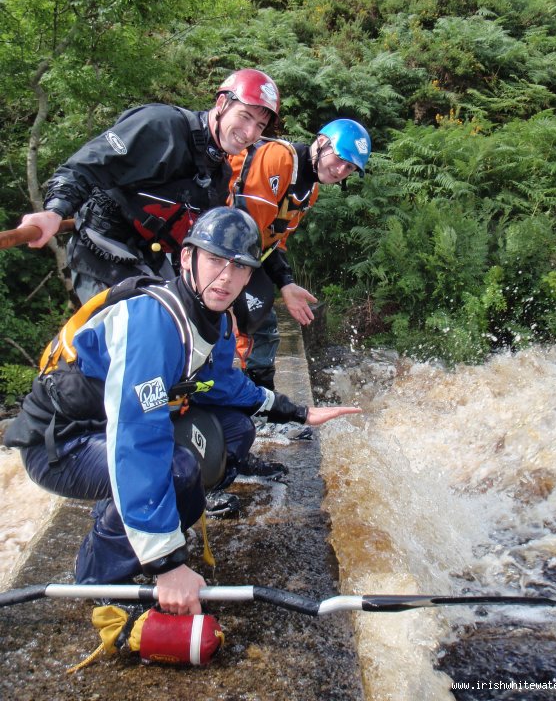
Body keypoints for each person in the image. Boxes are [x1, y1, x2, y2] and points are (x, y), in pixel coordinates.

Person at [4, 208, 361, 614]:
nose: (226, 277)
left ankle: (136, 516)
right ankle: (100, 581)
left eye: (240, 267)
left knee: (236, 431)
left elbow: (225, 385)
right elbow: (137, 437)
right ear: (187, 258)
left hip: (109, 430)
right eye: (215, 260)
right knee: (177, 470)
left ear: (249, 276)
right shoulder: (152, 322)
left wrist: (296, 411)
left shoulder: (217, 320)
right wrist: (167, 564)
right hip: (63, 443)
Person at [19, 69, 280, 304]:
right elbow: (84, 166)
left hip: (150, 255)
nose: (249, 133)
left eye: (259, 126)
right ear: (222, 103)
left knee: (190, 315)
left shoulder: (219, 173)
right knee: (141, 327)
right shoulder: (161, 126)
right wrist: (53, 211)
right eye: (244, 117)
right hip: (102, 247)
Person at [230, 119, 371, 390]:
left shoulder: (310, 190)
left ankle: (260, 401)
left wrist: (286, 282)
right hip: (216, 247)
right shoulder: (280, 159)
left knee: (263, 324)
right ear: (321, 142)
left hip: (244, 251)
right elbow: (244, 230)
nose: (342, 170)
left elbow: (273, 243)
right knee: (248, 317)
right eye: (340, 158)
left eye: (350, 167)